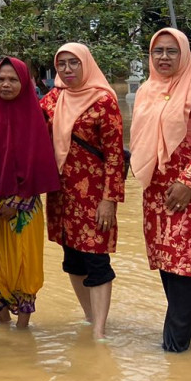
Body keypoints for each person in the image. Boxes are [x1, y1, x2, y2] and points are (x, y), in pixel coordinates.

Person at [130, 28, 191, 353]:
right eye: (158, 51)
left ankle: (175, 351)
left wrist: (189, 183)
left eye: (172, 51)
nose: (164, 57)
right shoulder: (146, 91)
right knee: (169, 268)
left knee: (185, 265)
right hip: (155, 194)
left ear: (184, 53)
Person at [41, 42, 125, 340]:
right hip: (62, 194)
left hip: (94, 194)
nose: (67, 69)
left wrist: (109, 199)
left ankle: (100, 331)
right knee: (72, 258)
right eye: (61, 63)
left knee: (97, 259)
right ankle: (90, 318)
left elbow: (115, 155)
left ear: (86, 64)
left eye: (73, 62)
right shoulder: (52, 99)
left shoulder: (103, 101)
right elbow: (27, 126)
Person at [0, 57, 60, 329]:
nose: (6, 84)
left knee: (24, 265)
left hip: (25, 207)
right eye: (0, 79)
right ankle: (2, 330)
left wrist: (18, 201)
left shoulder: (38, 118)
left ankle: (23, 330)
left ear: (25, 83)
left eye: (13, 79)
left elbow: (41, 164)